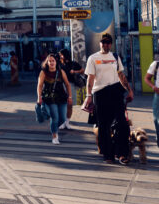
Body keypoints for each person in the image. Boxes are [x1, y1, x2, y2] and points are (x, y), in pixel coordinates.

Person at [86, 33, 134, 164]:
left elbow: (121, 75)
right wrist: (88, 96)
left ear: (111, 44)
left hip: (115, 90)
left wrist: (129, 91)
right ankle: (108, 154)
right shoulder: (93, 58)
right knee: (104, 125)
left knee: (122, 123)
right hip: (100, 93)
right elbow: (90, 79)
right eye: (103, 42)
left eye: (108, 42)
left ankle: (122, 153)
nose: (106, 44)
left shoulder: (115, 57)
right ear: (100, 43)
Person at [37, 54, 72, 145]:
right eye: (50, 61)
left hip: (62, 97)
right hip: (50, 98)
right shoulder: (43, 72)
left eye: (53, 61)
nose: (52, 62)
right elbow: (40, 86)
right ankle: (54, 136)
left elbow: (67, 84)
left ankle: (54, 127)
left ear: (56, 62)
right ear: (47, 62)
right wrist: (39, 97)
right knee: (55, 117)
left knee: (62, 118)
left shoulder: (61, 72)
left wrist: (70, 96)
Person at [58, 49, 83, 128]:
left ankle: (67, 122)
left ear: (65, 55)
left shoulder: (73, 63)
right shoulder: (59, 64)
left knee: (69, 105)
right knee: (62, 105)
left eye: (61, 55)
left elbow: (82, 70)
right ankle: (62, 122)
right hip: (61, 86)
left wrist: (75, 72)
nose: (60, 56)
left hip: (71, 85)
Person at [145, 58, 158, 150]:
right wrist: (154, 87)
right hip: (158, 96)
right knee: (157, 121)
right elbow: (147, 78)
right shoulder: (156, 64)